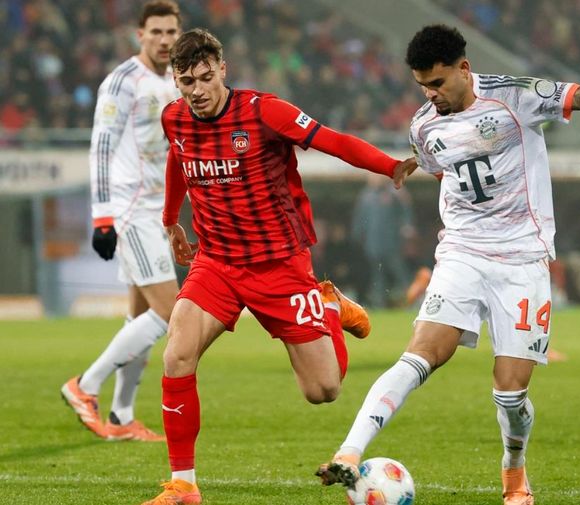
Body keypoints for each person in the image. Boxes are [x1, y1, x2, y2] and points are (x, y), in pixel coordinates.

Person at [316, 24, 580, 505]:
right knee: (418, 356)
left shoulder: (516, 96)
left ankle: (514, 468)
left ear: (464, 69)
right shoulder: (423, 126)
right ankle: (348, 451)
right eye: (422, 85)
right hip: (463, 252)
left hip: (523, 259)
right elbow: (442, 169)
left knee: (510, 394)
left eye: (438, 82)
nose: (430, 94)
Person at [139, 28, 417, 504]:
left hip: (279, 265)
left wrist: (387, 165)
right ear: (176, 81)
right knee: (176, 354)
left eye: (205, 78)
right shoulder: (175, 118)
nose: (197, 90)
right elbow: (178, 160)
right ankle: (183, 484)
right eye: (187, 82)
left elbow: (331, 140)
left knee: (323, 390)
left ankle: (329, 305)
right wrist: (170, 221)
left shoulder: (263, 111)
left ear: (222, 69)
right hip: (218, 261)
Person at [61, 1, 183, 442]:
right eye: (157, 32)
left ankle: (121, 416)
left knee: (141, 318)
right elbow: (101, 148)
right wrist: (103, 217)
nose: (165, 40)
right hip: (132, 211)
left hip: (157, 210)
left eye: (171, 32)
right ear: (140, 35)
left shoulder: (175, 81)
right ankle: (85, 385)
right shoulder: (122, 81)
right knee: (171, 313)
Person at [352, 172, 416, 308]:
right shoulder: (365, 196)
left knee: (400, 273)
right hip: (373, 245)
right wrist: (357, 236)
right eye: (371, 177)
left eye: (376, 176)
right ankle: (379, 304)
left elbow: (405, 212)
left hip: (392, 243)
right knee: (377, 276)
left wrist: (407, 228)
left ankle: (414, 301)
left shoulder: (395, 192)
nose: (374, 179)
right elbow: (359, 219)